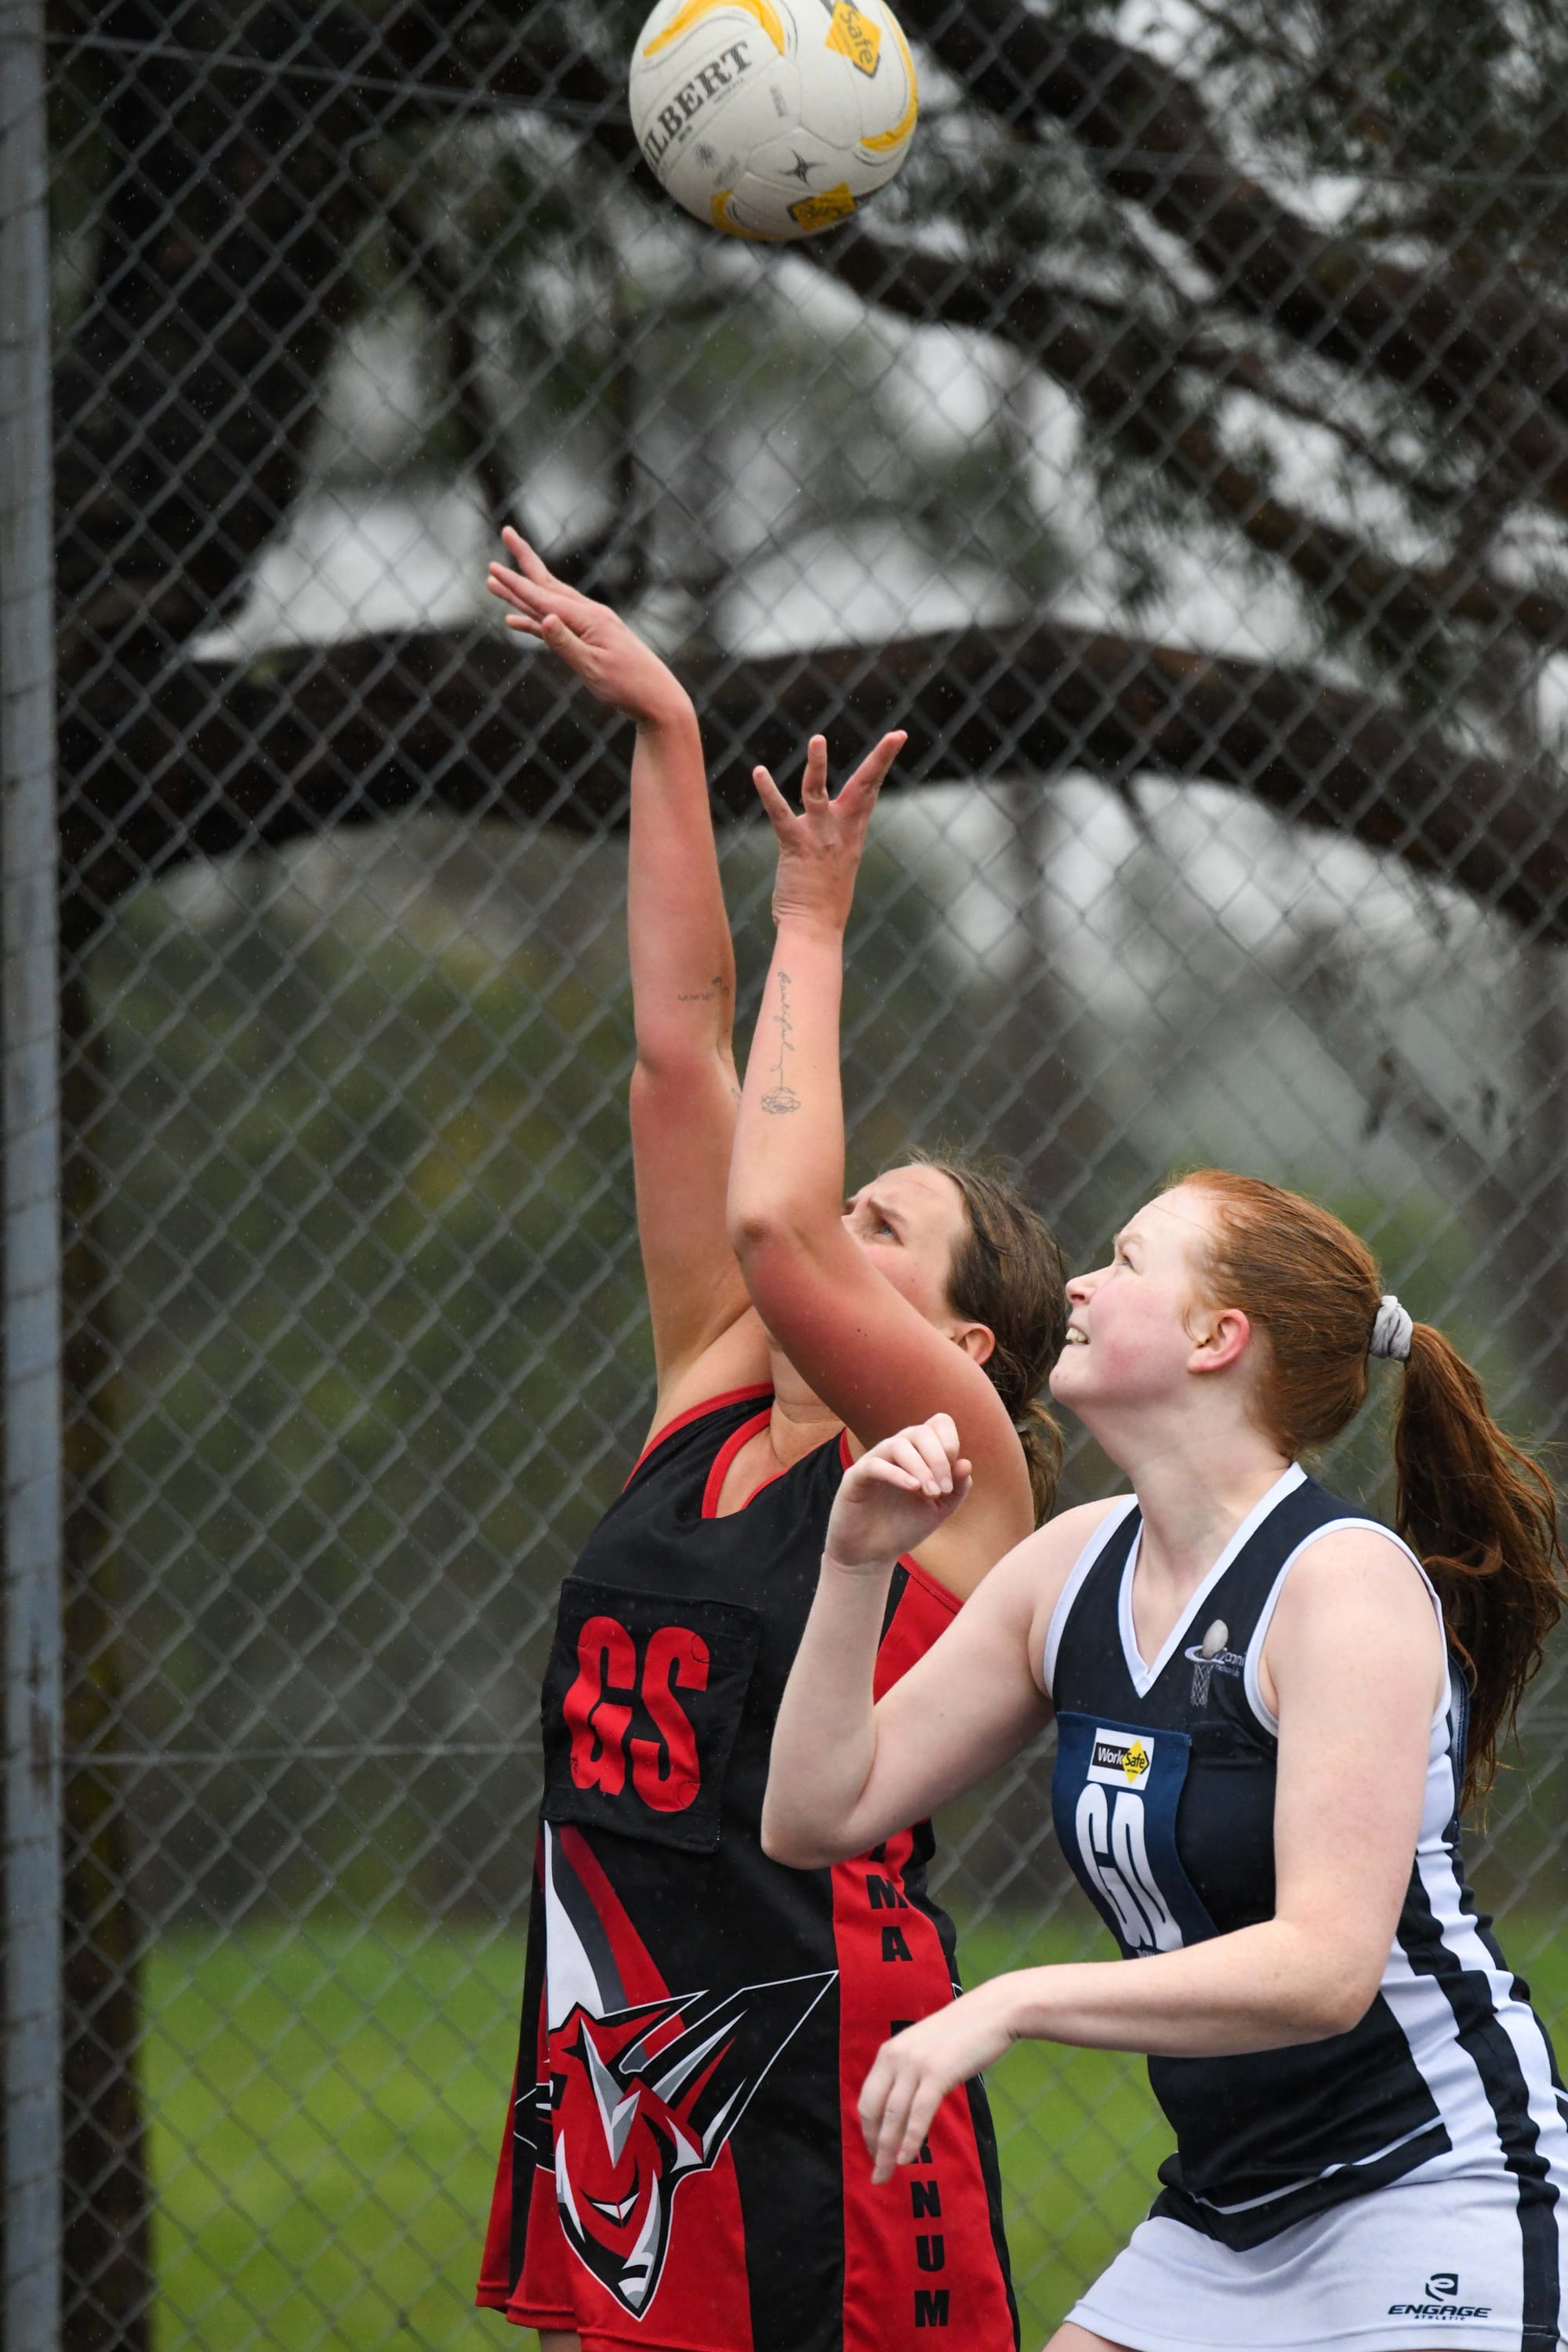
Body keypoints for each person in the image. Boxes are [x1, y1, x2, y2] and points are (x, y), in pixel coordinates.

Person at [474, 531, 1068, 2352]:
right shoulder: (713, 1392)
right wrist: (664, 734)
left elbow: (773, 1226)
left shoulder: (952, 1458)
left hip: (824, 2057)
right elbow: (677, 1056)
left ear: (962, 1340)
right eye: (852, 1204)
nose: (831, 1227)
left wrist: (816, 918)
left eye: (884, 1227)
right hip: (621, 2021)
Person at [764, 1171, 1568, 2352]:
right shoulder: (1072, 1567)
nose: (1082, 1282)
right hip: (1227, 2211)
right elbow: (815, 1812)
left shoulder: (1339, 1587)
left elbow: (1324, 1970)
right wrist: (854, 1566)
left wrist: (1015, 2000)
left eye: (1128, 1261)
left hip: (1431, 2189)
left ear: (1216, 1338)